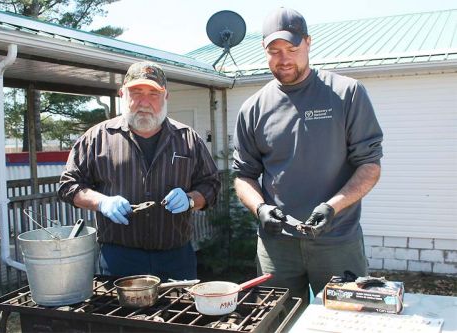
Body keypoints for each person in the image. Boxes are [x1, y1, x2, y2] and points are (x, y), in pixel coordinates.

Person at [232, 7, 383, 306]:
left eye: (292, 47)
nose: (284, 57)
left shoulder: (346, 93)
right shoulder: (253, 108)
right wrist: (260, 208)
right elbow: (244, 176)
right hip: (277, 247)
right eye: (274, 50)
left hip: (337, 241)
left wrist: (332, 207)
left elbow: (370, 166)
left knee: (348, 320)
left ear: (308, 43)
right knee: (275, 320)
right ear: (264, 50)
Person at [58, 61, 220, 281]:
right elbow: (68, 185)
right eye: (136, 92)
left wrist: (191, 199)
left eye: (153, 93)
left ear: (166, 97)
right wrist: (101, 202)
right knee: (117, 316)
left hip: (176, 259)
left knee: (181, 316)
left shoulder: (187, 138)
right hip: (118, 259)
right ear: (122, 94)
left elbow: (211, 185)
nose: (144, 102)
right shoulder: (97, 138)